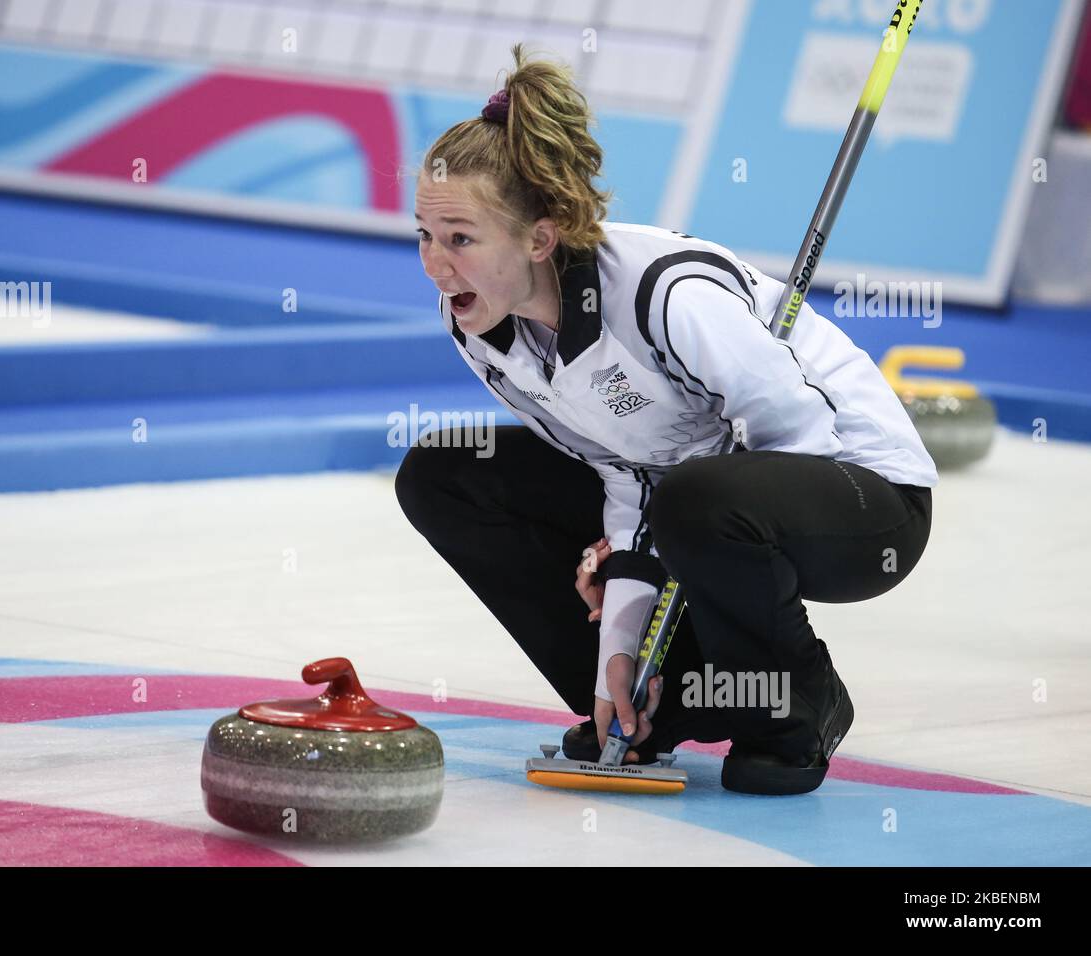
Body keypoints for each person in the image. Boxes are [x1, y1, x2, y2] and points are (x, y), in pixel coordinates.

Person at [394, 45, 936, 795]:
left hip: (864, 498)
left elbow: (803, 440)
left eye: (460, 238)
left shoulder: (663, 295)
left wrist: (675, 545)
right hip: (702, 502)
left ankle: (795, 704)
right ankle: (654, 702)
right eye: (424, 233)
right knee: (448, 472)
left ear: (539, 238)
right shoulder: (484, 332)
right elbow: (625, 475)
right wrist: (626, 637)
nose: (434, 263)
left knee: (697, 497)